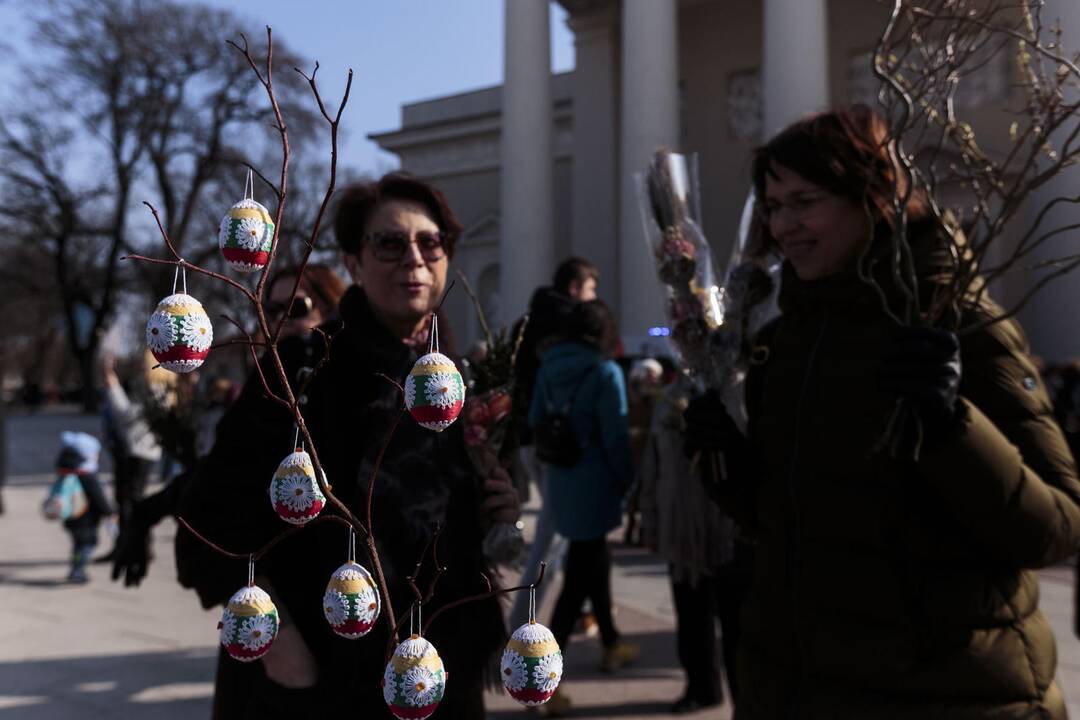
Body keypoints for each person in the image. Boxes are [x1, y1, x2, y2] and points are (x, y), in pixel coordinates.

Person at [683, 105, 1080, 719]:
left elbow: (1054, 527)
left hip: (947, 695)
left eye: (804, 201)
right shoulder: (783, 342)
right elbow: (791, 526)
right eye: (772, 206)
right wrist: (727, 465)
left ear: (875, 197)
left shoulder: (957, 327)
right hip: (798, 690)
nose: (783, 226)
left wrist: (953, 429)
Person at [175, 173, 519, 719]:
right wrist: (280, 640)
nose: (414, 258)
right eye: (389, 242)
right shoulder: (299, 373)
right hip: (318, 680)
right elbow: (206, 517)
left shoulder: (464, 383)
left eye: (430, 242)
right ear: (354, 263)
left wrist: (497, 511)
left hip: (438, 672)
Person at [528, 299, 638, 716]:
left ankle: (610, 642)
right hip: (596, 482)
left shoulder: (547, 366)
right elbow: (616, 438)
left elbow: (536, 418)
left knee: (593, 561)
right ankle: (541, 679)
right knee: (577, 582)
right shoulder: (605, 371)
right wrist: (629, 482)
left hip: (563, 479)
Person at [639, 374, 749, 714]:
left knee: (737, 626)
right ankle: (702, 686)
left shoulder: (740, 390)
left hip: (730, 527)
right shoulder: (669, 398)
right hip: (683, 528)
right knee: (691, 614)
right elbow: (653, 463)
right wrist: (650, 516)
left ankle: (744, 699)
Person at [509, 257, 600, 630]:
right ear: (575, 288)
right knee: (551, 540)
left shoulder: (526, 321)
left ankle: (583, 613)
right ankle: (518, 627)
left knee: (566, 533)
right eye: (592, 290)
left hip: (531, 438)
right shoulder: (571, 324)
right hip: (561, 445)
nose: (594, 299)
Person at [99, 353, 163, 561]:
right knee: (126, 501)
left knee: (131, 502)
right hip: (132, 450)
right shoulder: (147, 388)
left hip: (140, 452)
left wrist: (113, 384)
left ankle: (137, 548)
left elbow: (127, 414)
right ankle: (126, 545)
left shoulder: (155, 389)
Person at [52, 431, 115, 583]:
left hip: (71, 518)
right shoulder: (88, 477)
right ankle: (78, 569)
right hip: (87, 520)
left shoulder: (66, 474)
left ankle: (75, 564)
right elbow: (99, 498)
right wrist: (109, 512)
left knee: (77, 544)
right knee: (88, 544)